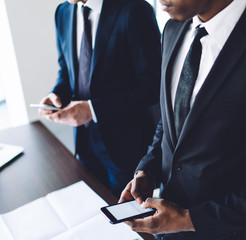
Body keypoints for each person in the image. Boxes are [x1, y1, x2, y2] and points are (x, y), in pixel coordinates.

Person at [119, 0, 246, 239]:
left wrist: (190, 220)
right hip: (165, 227)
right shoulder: (172, 29)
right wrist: (147, 170)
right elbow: (171, 121)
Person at [39, 0, 161, 197]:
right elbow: (66, 71)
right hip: (84, 142)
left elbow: (153, 86)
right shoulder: (62, 12)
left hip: (126, 146)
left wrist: (93, 110)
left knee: (129, 221)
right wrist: (55, 96)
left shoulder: (135, 9)